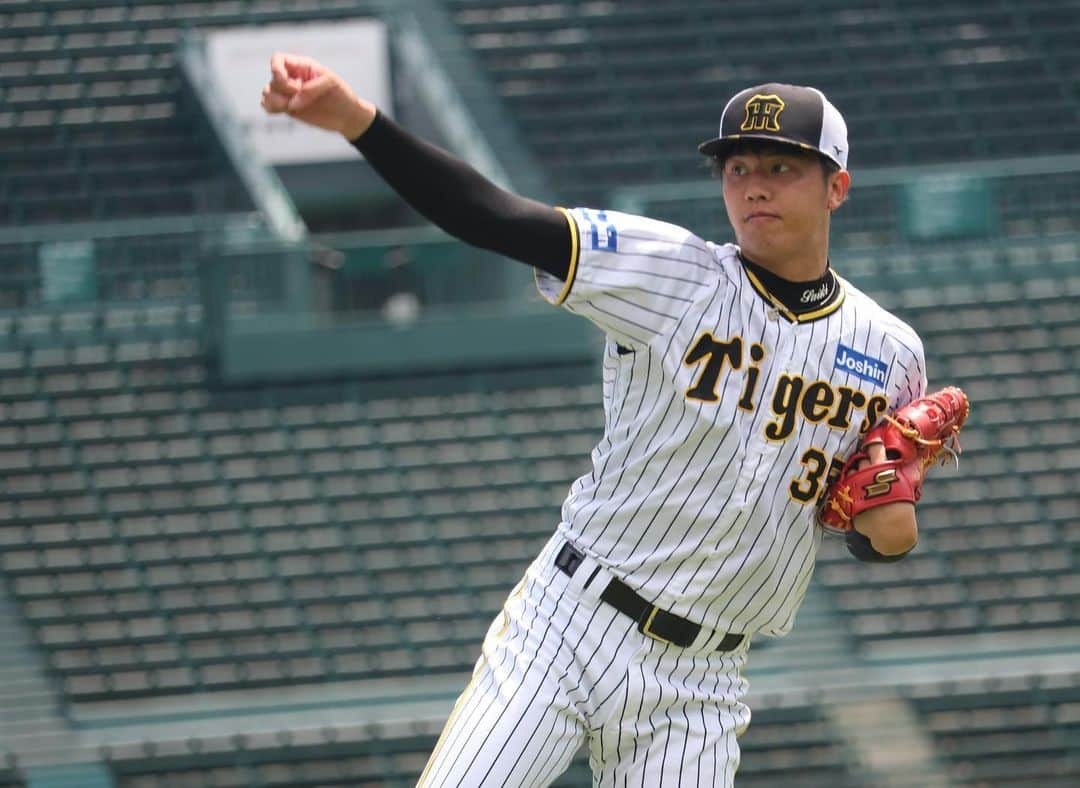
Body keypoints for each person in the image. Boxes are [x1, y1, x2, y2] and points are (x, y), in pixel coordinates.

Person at [261, 54, 927, 786]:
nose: (754, 184)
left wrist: (888, 530)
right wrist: (361, 124)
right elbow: (495, 217)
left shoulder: (889, 352)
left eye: (782, 166)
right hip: (570, 627)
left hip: (703, 687)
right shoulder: (671, 272)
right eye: (736, 167)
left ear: (838, 187)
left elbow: (868, 530)